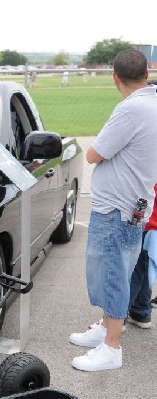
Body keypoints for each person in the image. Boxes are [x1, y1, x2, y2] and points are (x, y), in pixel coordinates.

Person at [68, 49, 157, 372]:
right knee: (115, 269)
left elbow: (94, 154)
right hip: (133, 203)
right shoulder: (152, 102)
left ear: (115, 77)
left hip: (118, 206)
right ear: (146, 73)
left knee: (113, 274)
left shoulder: (131, 109)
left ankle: (111, 347)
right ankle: (107, 327)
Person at [127, 183, 157, 329]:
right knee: (146, 273)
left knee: (134, 273)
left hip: (149, 227)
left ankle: (120, 316)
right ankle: (141, 313)